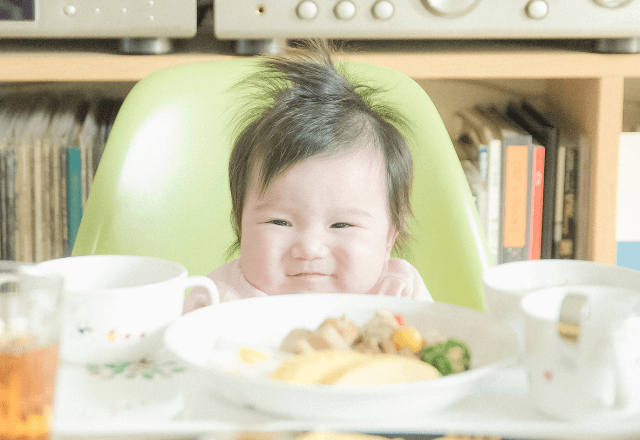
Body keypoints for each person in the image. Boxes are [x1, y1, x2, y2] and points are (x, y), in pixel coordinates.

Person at [183, 39, 432, 313]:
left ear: (389, 237)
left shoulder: (399, 295)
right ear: (240, 225)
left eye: (341, 225)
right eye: (279, 221)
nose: (309, 249)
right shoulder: (218, 301)